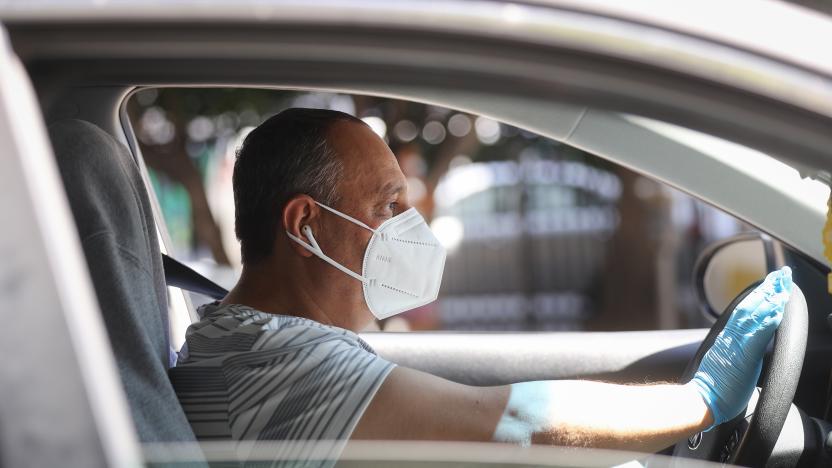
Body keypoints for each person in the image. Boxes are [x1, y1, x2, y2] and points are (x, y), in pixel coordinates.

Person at [171, 108, 792, 460]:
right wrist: (700, 399)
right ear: (306, 224)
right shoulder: (279, 365)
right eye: (388, 206)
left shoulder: (246, 341)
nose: (408, 228)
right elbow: (519, 419)